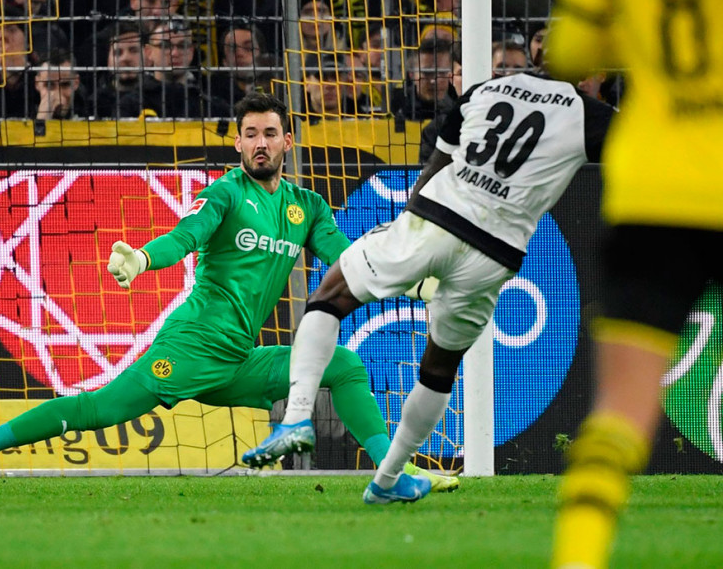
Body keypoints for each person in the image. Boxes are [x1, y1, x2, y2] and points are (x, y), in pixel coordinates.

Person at [0, 91, 459, 497]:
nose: (261, 143)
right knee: (96, 409)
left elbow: (349, 263)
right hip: (192, 347)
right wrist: (140, 258)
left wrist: (409, 282)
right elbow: (186, 236)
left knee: (341, 365)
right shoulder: (226, 192)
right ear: (238, 143)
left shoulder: (307, 206)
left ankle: (391, 476)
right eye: (250, 133)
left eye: (270, 133)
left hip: (239, 360)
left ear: (287, 142)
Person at [245, 68, 614, 505]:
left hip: (435, 221)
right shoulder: (589, 115)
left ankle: (298, 417)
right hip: (495, 255)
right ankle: (386, 480)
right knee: (440, 369)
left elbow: (437, 162)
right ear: (588, 74)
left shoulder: (488, 89)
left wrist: (409, 220)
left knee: (329, 295)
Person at [543, 0, 723, 568]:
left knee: (619, 413)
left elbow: (570, 50)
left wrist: (636, 34)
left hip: (654, 185)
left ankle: (579, 560)